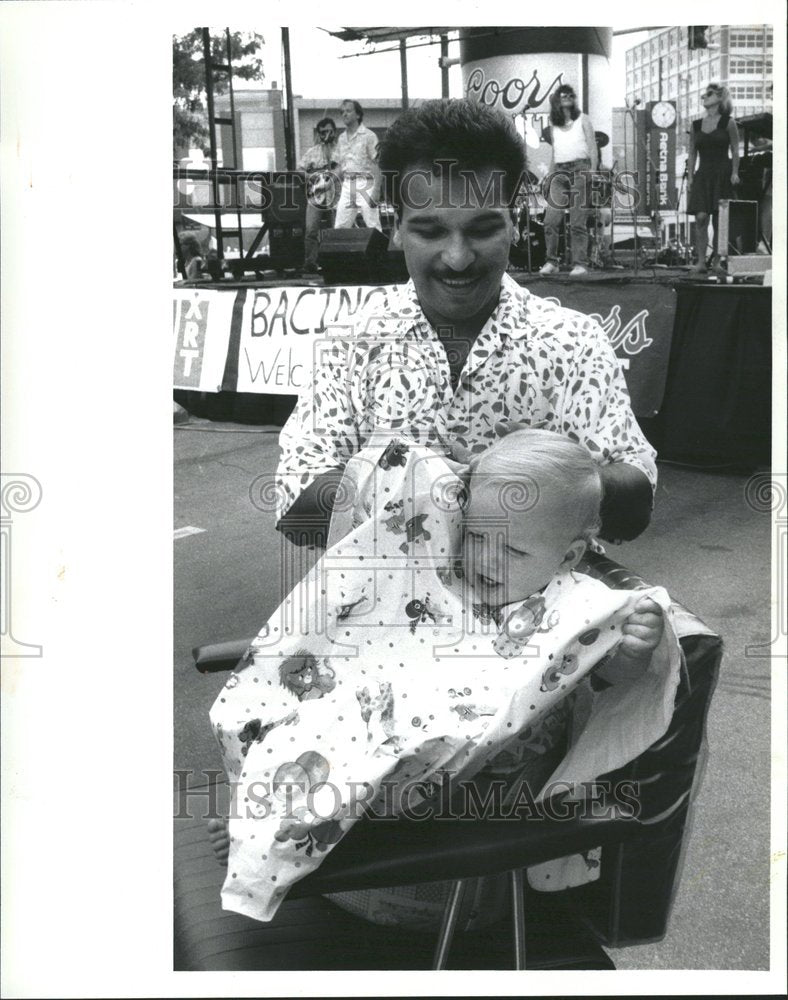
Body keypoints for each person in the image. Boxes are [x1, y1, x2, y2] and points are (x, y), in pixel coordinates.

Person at [208, 429, 673, 929]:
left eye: (514, 553)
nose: (487, 560)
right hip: (402, 715)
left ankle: (297, 844)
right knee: (316, 717)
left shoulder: (577, 604)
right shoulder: (445, 569)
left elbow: (612, 678)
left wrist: (633, 648)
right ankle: (263, 825)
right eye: (476, 536)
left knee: (387, 763)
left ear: (568, 556)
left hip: (481, 788)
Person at [276, 98, 656, 551]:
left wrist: (550, 482)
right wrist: (408, 488)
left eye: (482, 229)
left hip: (544, 620)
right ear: (396, 227)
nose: (457, 258)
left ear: (515, 223)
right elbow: (295, 503)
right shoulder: (350, 343)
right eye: (431, 231)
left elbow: (634, 504)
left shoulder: (573, 343)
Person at [539, 84, 598, 277]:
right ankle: (551, 261)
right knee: (551, 220)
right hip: (559, 171)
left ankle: (580, 263)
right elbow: (554, 152)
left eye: (569, 94)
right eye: (562, 95)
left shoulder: (583, 119)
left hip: (580, 169)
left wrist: (593, 170)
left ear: (574, 99)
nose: (566, 97)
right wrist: (549, 175)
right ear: (557, 100)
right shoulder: (554, 124)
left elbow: (592, 146)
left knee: (577, 221)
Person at [687, 83, 740, 273]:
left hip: (723, 173)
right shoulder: (695, 125)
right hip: (703, 174)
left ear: (720, 97)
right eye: (704, 95)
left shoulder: (728, 122)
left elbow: (735, 149)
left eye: (709, 94)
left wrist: (735, 172)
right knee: (701, 217)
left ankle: (717, 261)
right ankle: (701, 262)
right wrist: (691, 176)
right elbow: (692, 152)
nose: (704, 97)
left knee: (720, 219)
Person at [298, 117, 340, 271]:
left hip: (336, 194)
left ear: (334, 132)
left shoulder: (341, 149)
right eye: (322, 132)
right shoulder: (313, 151)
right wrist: (311, 177)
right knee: (311, 229)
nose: (326, 135)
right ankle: (310, 263)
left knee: (336, 228)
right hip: (316, 194)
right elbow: (300, 169)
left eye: (329, 131)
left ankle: (336, 263)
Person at [333, 100, 382, 231]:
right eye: (342, 112)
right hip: (348, 184)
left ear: (358, 115)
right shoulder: (341, 138)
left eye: (348, 111)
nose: (344, 114)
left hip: (366, 183)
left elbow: (377, 164)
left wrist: (376, 190)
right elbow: (339, 166)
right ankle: (341, 252)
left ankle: (378, 252)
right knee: (340, 227)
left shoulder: (369, 136)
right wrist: (328, 182)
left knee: (373, 225)